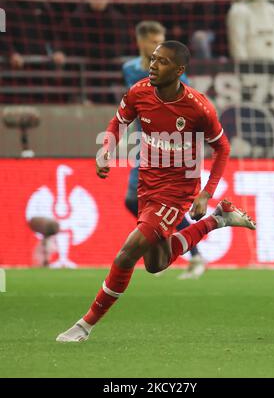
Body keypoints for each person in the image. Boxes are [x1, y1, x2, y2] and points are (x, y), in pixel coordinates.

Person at [56, 41, 256, 343]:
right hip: (148, 184)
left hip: (178, 188)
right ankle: (218, 220)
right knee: (155, 264)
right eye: (152, 59)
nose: (152, 65)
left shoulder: (198, 107)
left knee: (127, 254)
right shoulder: (139, 92)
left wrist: (205, 193)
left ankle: (85, 325)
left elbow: (222, 148)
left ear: (179, 71)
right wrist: (105, 150)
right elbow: (117, 122)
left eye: (162, 62)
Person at [123, 21, 206, 279]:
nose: (157, 45)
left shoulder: (177, 73)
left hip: (170, 146)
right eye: (153, 41)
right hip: (143, 145)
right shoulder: (129, 69)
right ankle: (162, 252)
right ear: (140, 41)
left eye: (162, 39)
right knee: (134, 201)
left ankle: (189, 254)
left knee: (152, 202)